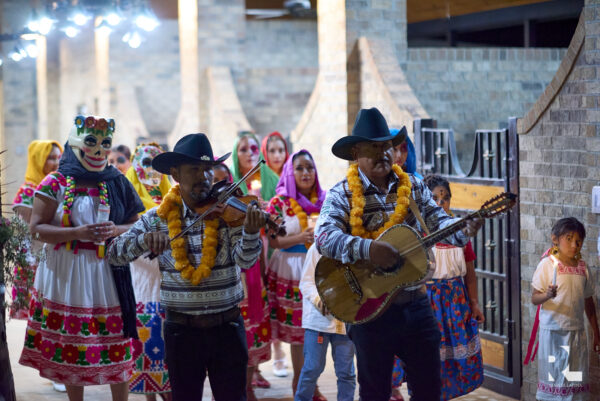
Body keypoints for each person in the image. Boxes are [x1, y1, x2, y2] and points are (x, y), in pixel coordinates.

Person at [315, 107, 482, 401]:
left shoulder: (413, 185)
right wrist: (369, 249)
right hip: (367, 307)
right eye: (374, 147)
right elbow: (324, 238)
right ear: (356, 152)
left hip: (415, 302)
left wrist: (463, 227)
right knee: (375, 391)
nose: (383, 153)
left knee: (429, 388)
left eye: (387, 146)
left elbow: (438, 222)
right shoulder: (342, 193)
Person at [108, 133, 266, 401]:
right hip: (181, 332)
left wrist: (251, 233)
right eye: (194, 169)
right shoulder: (157, 219)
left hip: (227, 327)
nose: (204, 177)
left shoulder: (228, 213)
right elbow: (114, 254)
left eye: (208, 170)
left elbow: (246, 260)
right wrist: (144, 240)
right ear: (175, 174)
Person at [20, 115, 145, 401]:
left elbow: (135, 223)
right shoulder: (56, 181)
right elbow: (37, 228)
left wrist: (116, 229)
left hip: (108, 271)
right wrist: (77, 232)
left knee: (115, 339)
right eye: (91, 141)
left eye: (105, 143)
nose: (99, 149)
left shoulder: (116, 179)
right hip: (68, 271)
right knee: (73, 348)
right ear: (77, 143)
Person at [266, 150, 327, 400]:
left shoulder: (325, 200)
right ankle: (301, 383)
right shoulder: (278, 203)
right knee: (298, 333)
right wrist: (300, 238)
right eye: (300, 168)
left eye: (310, 168)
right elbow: (275, 241)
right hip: (289, 269)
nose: (305, 173)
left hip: (318, 270)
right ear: (291, 173)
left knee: (317, 330)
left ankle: (311, 382)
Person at [12, 140, 66, 393]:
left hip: (55, 257)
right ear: (37, 159)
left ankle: (60, 367)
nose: (55, 163)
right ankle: (54, 368)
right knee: (44, 318)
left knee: (56, 315)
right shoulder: (27, 191)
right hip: (36, 260)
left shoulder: (60, 186)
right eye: (50, 158)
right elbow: (34, 231)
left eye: (58, 157)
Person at [423, 174, 484, 399]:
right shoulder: (420, 232)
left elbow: (470, 275)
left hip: (456, 302)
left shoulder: (460, 233)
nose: (441, 203)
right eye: (435, 199)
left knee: (452, 361)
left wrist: (474, 303)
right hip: (429, 302)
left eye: (445, 199)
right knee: (429, 360)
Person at [530, 217, 600, 401]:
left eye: (579, 241)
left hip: (576, 335)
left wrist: (596, 333)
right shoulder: (546, 265)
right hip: (553, 335)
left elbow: (589, 303)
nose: (574, 245)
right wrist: (547, 295)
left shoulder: (583, 269)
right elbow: (534, 298)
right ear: (555, 239)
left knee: (574, 382)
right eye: (568, 239)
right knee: (553, 381)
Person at [231, 131, 279, 397]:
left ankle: (249, 383)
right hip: (235, 267)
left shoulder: (269, 182)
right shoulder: (228, 187)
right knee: (239, 327)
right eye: (243, 149)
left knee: (255, 325)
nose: (250, 153)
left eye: (253, 148)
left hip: (259, 258)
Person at [124, 143, 172, 401]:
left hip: (167, 278)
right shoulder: (128, 198)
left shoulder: (172, 197)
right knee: (146, 335)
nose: (151, 172)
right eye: (145, 163)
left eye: (156, 165)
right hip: (141, 278)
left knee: (167, 342)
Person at [295, 244, 356, 401]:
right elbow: (306, 283)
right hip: (318, 322)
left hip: (346, 320)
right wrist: (319, 300)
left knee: (347, 373)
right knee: (311, 369)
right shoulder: (317, 248)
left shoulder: (355, 245)